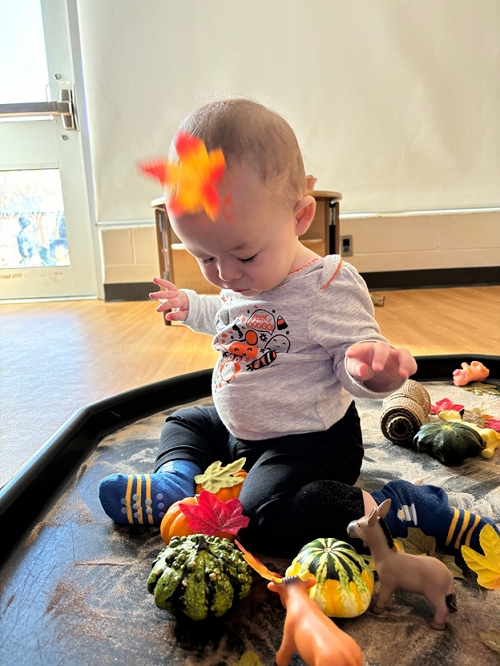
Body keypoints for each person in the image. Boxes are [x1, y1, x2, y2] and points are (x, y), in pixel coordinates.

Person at [99, 98, 498, 557]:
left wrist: (372, 373)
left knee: (261, 517)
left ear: (300, 217)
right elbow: (228, 316)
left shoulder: (326, 286)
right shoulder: (244, 274)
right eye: (203, 256)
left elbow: (356, 361)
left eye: (243, 256)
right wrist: (190, 305)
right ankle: (175, 482)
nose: (225, 273)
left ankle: (400, 506)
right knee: (184, 422)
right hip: (243, 433)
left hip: (311, 441)